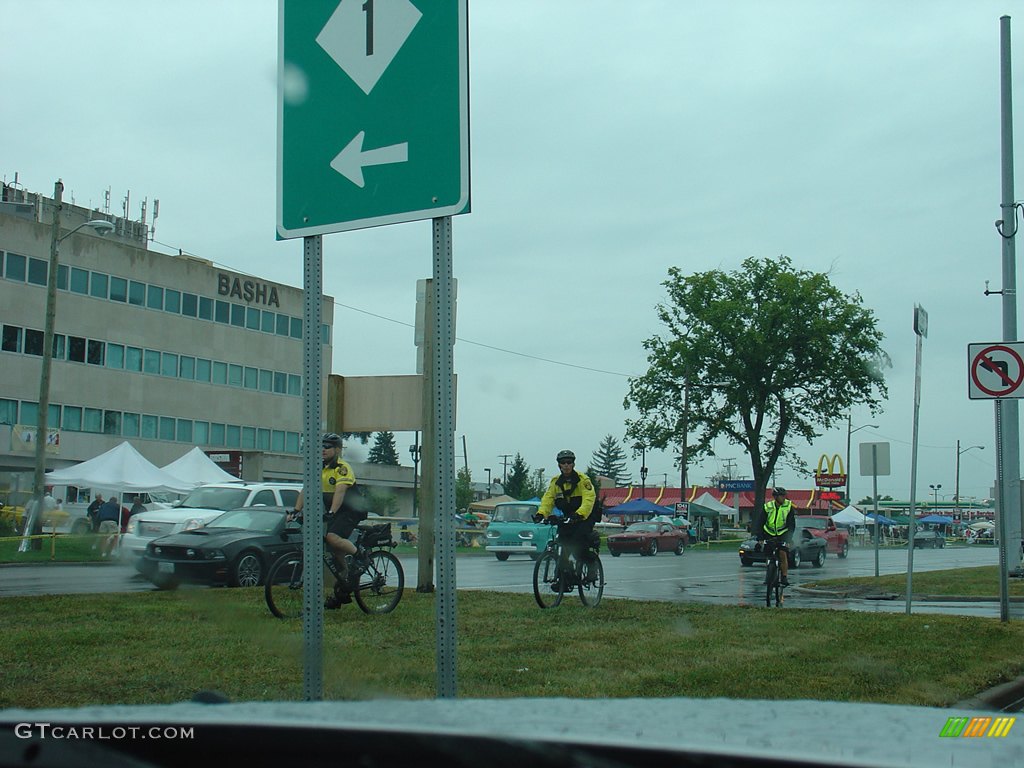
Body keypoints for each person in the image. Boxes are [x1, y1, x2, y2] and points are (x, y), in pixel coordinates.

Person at [291, 433, 366, 608]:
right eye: (321, 446)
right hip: (335, 511)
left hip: (351, 510)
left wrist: (332, 511)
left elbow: (340, 492)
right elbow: (305, 490)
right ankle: (344, 584)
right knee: (332, 548)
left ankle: (360, 556)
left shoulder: (342, 468)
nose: (323, 449)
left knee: (332, 537)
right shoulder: (319, 468)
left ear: (338, 450)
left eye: (328, 446)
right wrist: (296, 510)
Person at [534, 450, 598, 579]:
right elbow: (548, 499)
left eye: (569, 462)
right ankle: (564, 576)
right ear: (559, 465)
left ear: (573, 464)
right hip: (568, 516)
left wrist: (579, 514)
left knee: (578, 542)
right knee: (562, 542)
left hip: (585, 516)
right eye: (563, 463)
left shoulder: (583, 480)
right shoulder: (555, 482)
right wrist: (541, 514)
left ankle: (592, 565)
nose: (566, 465)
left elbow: (588, 500)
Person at [756, 486, 796, 586]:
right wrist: (760, 538)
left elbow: (791, 524)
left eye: (784, 495)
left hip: (783, 533)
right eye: (781, 496)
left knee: (783, 554)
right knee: (768, 554)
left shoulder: (788, 506)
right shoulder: (767, 507)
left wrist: (788, 539)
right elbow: (760, 522)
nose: (783, 498)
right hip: (769, 532)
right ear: (775, 497)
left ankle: (784, 577)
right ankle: (768, 575)